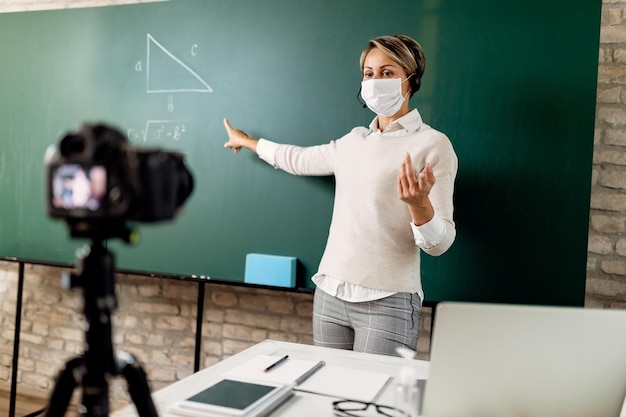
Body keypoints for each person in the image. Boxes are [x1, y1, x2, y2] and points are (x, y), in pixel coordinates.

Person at [223, 34, 457, 357]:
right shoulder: (354, 142)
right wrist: (248, 141)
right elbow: (297, 159)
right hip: (330, 294)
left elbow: (441, 242)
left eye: (387, 73)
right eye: (369, 74)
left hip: (388, 302)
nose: (375, 81)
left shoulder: (432, 145)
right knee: (330, 397)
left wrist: (420, 207)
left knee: (373, 401)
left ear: (411, 78)